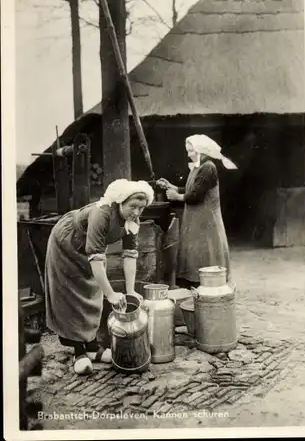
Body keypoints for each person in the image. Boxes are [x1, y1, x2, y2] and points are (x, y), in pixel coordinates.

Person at [45, 179, 154, 375]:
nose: (136, 212)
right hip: (67, 243)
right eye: (133, 206)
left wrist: (130, 291)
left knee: (93, 293)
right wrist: (111, 293)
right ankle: (79, 352)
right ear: (120, 202)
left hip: (90, 250)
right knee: (73, 296)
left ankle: (93, 348)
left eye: (141, 207)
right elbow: (96, 259)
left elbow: (130, 255)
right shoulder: (102, 213)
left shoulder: (133, 222)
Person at [157, 134, 237, 289]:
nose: (188, 154)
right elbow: (191, 189)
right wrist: (172, 187)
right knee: (196, 252)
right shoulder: (198, 167)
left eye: (191, 151)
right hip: (196, 220)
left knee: (205, 252)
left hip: (206, 221)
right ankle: (195, 285)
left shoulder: (208, 168)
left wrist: (177, 196)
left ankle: (207, 285)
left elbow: (195, 196)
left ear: (201, 151)